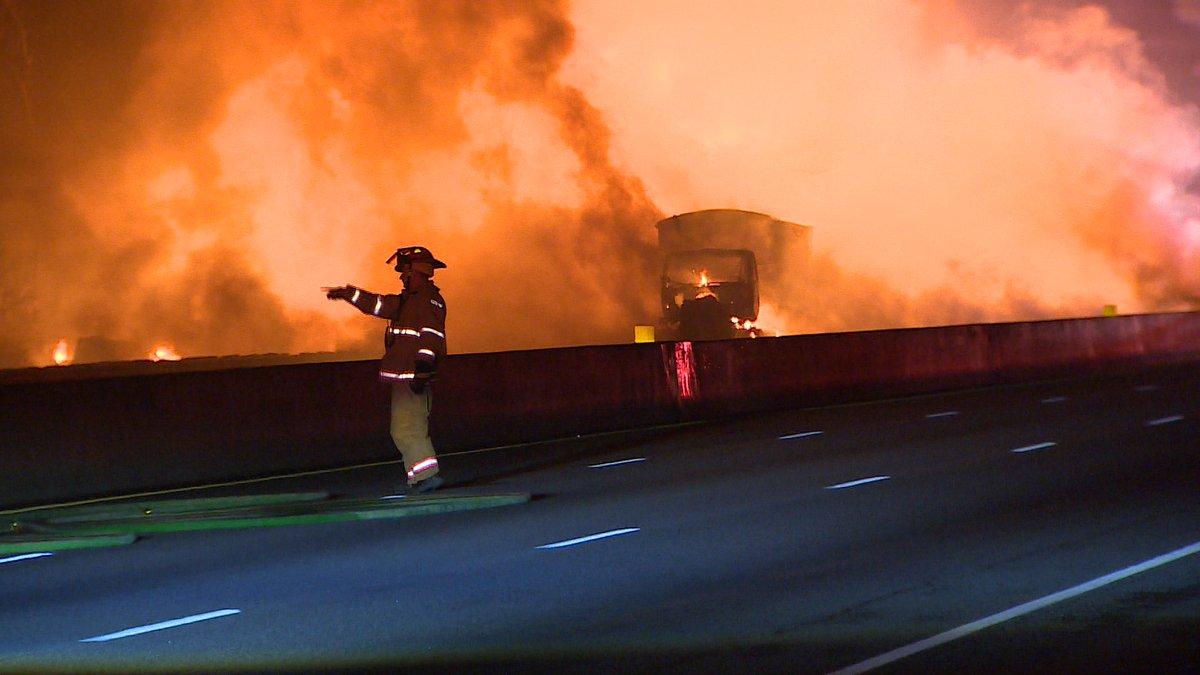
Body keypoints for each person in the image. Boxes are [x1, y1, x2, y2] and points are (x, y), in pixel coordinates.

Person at [325, 246, 448, 495]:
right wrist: (350, 294)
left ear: (416, 270)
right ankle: (418, 479)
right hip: (405, 378)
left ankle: (427, 477)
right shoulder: (408, 300)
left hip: (414, 377)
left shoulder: (426, 299)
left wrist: (422, 369)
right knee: (403, 428)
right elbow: (377, 304)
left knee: (408, 428)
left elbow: (432, 335)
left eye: (404, 271)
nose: (401, 276)